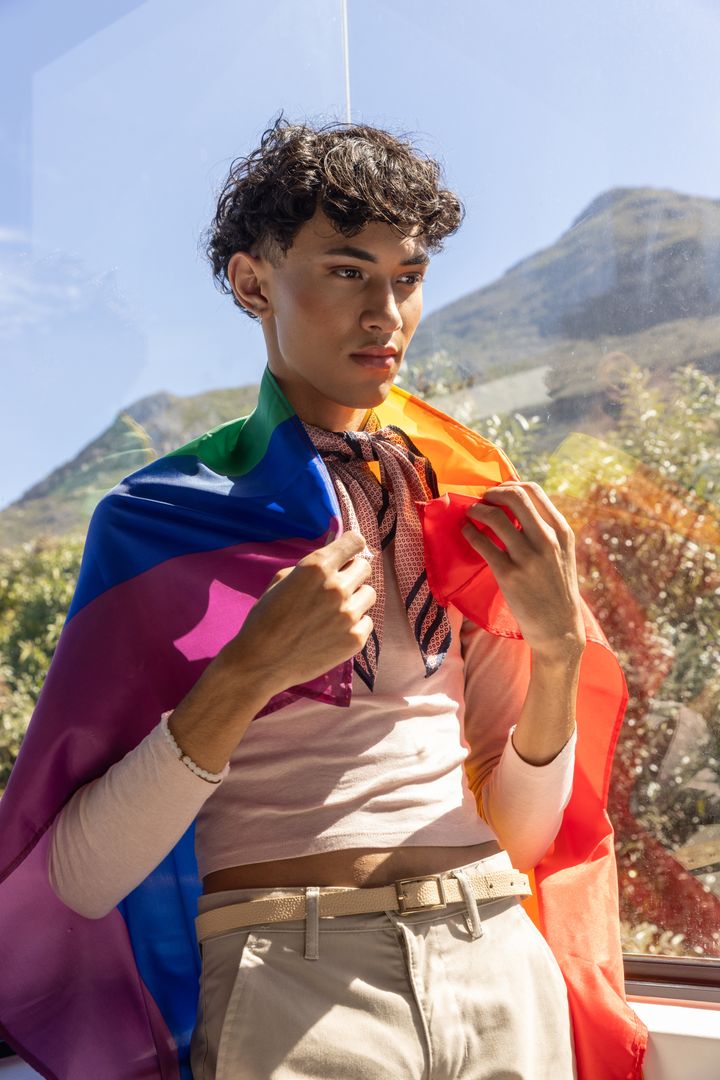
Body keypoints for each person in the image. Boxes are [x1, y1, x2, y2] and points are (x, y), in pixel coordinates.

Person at [0, 116, 646, 1080]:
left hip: (500, 963)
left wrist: (557, 654)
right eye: (348, 272)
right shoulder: (156, 521)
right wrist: (250, 670)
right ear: (252, 283)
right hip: (291, 988)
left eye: (408, 278)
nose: (386, 313)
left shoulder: (464, 495)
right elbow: (80, 881)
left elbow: (523, 834)